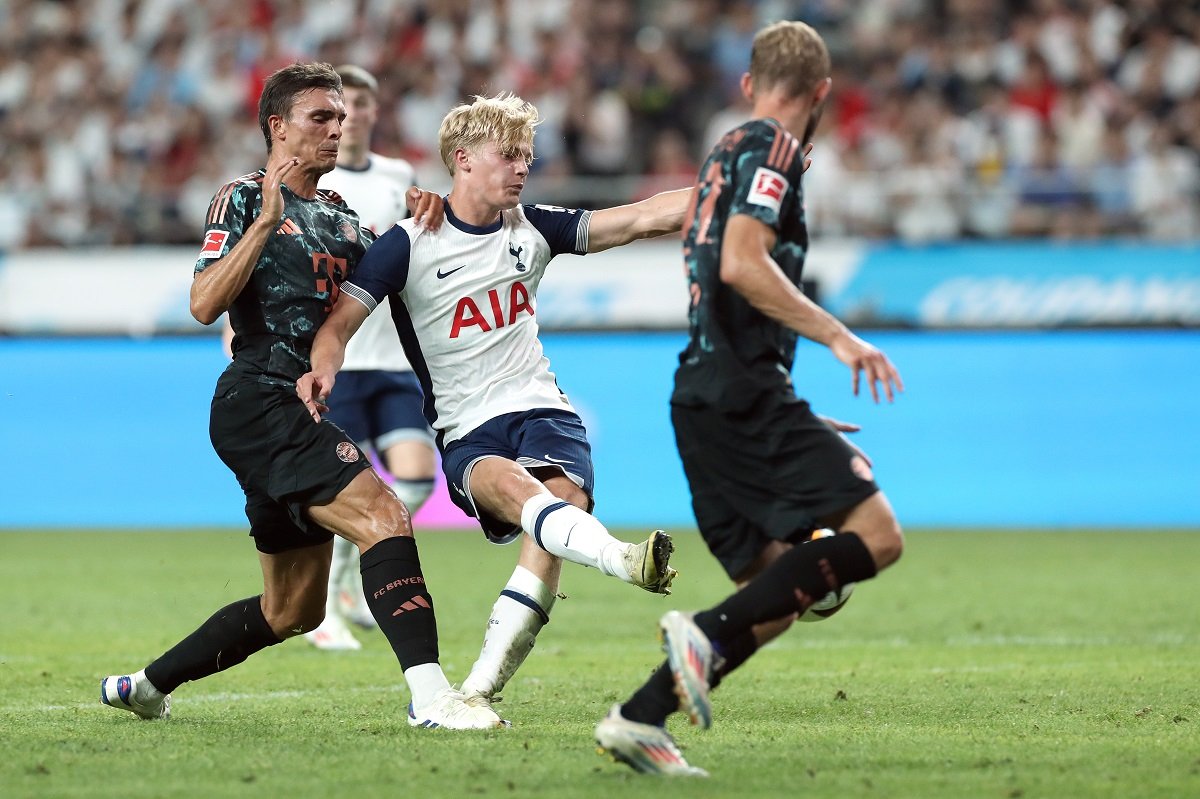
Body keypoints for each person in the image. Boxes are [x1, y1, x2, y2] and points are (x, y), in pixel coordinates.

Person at [100, 62, 505, 731]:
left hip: (297, 409)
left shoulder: (341, 219)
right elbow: (203, 303)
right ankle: (433, 698)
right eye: (321, 117)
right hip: (257, 401)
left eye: (341, 117)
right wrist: (263, 224)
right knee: (385, 515)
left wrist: (429, 219)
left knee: (294, 610)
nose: (337, 128)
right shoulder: (239, 197)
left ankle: (147, 684)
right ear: (277, 126)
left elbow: (399, 275)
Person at [298, 92, 691, 724]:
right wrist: (322, 367)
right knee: (526, 498)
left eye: (527, 157)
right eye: (508, 155)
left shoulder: (533, 228)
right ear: (462, 160)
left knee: (555, 521)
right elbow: (340, 323)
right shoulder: (408, 244)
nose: (521, 168)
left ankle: (479, 686)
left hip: (544, 408)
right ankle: (620, 558)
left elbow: (642, 218)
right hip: (467, 426)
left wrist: (738, 190)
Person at [594, 21, 906, 776]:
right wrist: (841, 337)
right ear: (822, 92)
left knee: (775, 588)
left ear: (747, 80)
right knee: (878, 535)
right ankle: (697, 634)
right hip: (741, 395)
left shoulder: (721, 154)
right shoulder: (774, 146)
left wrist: (788, 407)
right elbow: (741, 262)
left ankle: (639, 716)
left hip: (704, 395)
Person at [300, 64, 439, 652]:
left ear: (373, 111)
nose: (349, 115)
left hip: (393, 361)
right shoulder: (314, 184)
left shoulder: (397, 175)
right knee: (341, 494)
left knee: (417, 479)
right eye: (339, 106)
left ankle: (351, 584)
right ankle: (326, 608)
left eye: (358, 103)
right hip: (343, 363)